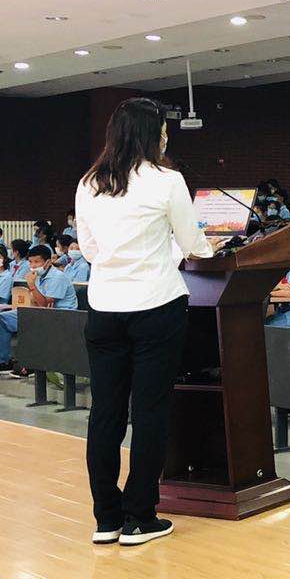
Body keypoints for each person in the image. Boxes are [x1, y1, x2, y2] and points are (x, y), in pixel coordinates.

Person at [76, 97, 213, 547]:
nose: (167, 136)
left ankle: (106, 519)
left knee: (105, 413)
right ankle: (140, 517)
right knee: (150, 412)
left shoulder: (90, 182)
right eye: (164, 129)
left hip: (104, 308)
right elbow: (192, 244)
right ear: (153, 135)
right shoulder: (167, 180)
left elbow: (90, 250)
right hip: (156, 305)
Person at [0, 244, 78, 375]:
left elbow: (45, 304)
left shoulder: (57, 277)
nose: (33, 265)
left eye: (37, 262)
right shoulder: (37, 275)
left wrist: (32, 286)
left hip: (62, 316)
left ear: (48, 262)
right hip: (41, 311)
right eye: (30, 262)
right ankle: (1, 363)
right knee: (1, 318)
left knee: (31, 319)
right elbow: (35, 302)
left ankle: (33, 364)